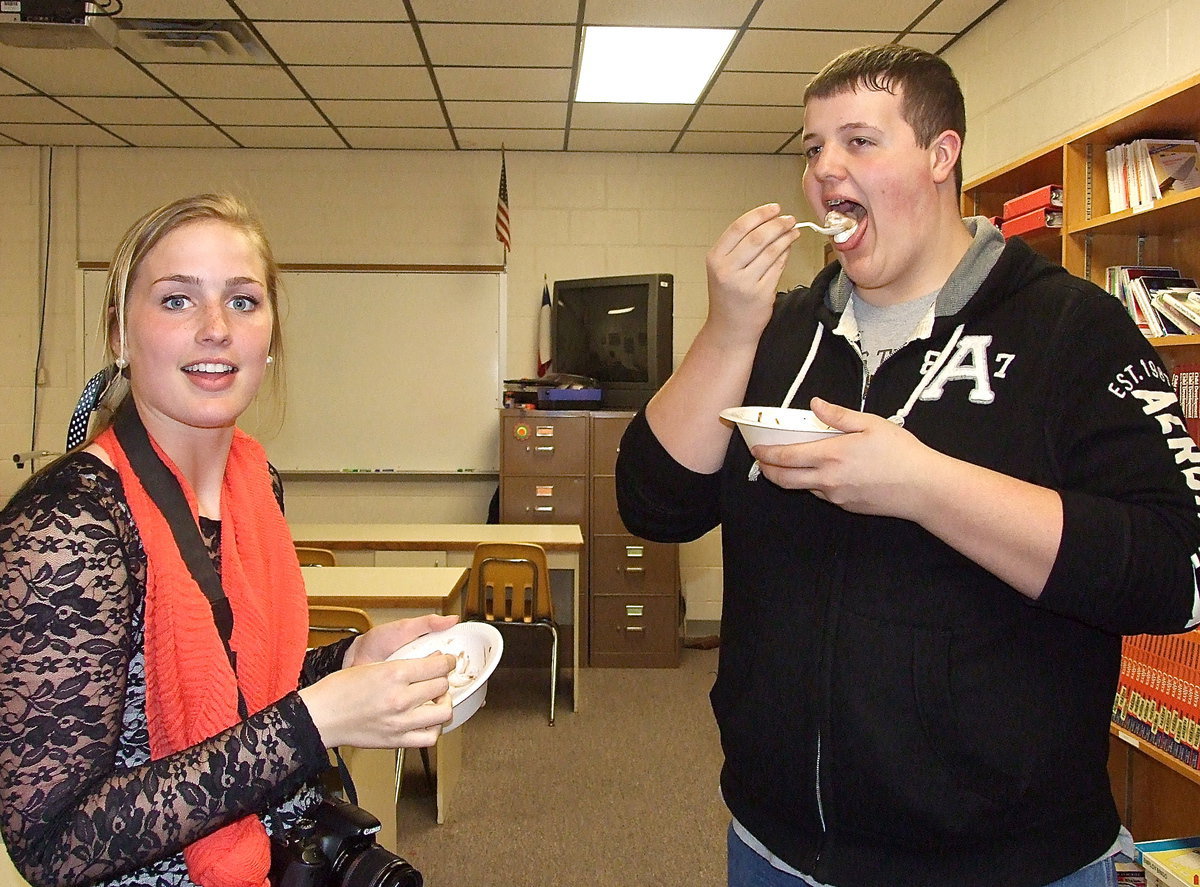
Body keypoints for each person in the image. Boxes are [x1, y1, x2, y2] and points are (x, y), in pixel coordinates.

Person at [615, 43, 1200, 887]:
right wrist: (730, 329)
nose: (824, 171)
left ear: (940, 155)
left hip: (1007, 862)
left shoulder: (1074, 330)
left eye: (858, 142)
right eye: (813, 148)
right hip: (775, 844)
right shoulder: (780, 331)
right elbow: (653, 503)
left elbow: (1175, 572)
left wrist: (925, 487)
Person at [0, 194, 458, 887]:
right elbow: (54, 842)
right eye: (177, 300)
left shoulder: (256, 481)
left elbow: (241, 686)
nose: (216, 328)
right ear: (120, 335)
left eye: (243, 301)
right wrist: (314, 721)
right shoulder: (69, 524)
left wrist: (346, 662)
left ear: (269, 336)